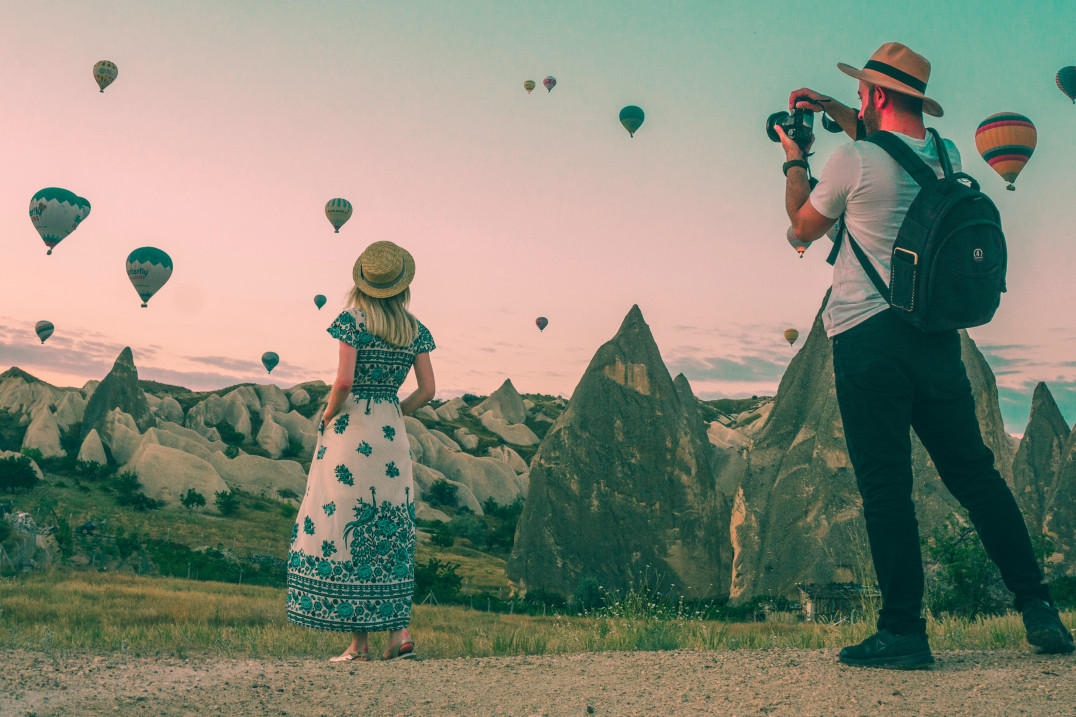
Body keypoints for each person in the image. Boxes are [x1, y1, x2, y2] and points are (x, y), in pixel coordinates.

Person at [775, 42, 1074, 668]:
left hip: (867, 338)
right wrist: (831, 106)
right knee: (976, 475)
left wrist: (794, 158)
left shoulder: (851, 160)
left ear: (878, 95)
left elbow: (801, 227)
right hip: (938, 340)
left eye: (861, 92)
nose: (857, 102)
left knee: (887, 487)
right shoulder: (946, 156)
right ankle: (1038, 607)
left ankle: (904, 631)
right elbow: (888, 144)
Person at [286, 240, 436, 662]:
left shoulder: (352, 321)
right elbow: (428, 389)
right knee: (392, 527)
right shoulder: (415, 329)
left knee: (348, 525)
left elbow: (344, 382)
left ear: (362, 283)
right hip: (391, 436)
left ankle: (359, 645)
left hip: (351, 434)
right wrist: (396, 410)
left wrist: (326, 415)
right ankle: (399, 634)